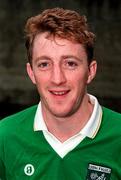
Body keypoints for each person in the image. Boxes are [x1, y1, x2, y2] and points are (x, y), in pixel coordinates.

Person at [0, 7, 121, 180]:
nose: (57, 79)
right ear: (31, 72)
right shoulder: (5, 136)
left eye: (70, 63)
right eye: (44, 64)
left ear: (91, 71)